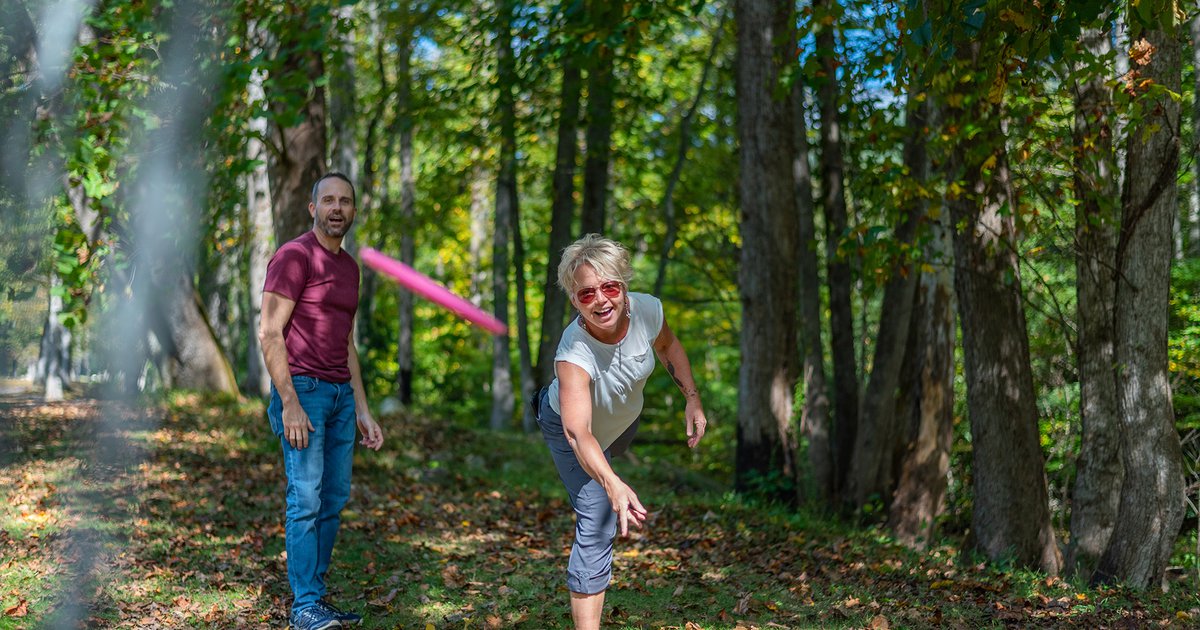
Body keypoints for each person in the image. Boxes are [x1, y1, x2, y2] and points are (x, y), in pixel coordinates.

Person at [533, 233, 709, 630]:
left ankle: (608, 468)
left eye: (610, 287)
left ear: (624, 285)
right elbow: (579, 434)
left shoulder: (646, 311)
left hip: (621, 423)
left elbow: (669, 347)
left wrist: (692, 398)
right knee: (598, 519)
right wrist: (611, 482)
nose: (601, 300)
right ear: (574, 300)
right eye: (586, 294)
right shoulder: (573, 352)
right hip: (572, 430)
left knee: (613, 455)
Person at [259, 172, 383, 630]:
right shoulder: (294, 257)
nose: (337, 208)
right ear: (312, 208)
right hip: (304, 393)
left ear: (353, 210)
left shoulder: (349, 268)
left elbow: (346, 341)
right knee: (305, 498)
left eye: (345, 201)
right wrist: (288, 402)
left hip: (340, 396)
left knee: (333, 498)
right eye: (328, 200)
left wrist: (363, 407)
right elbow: (270, 332)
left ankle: (316, 595)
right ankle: (304, 604)